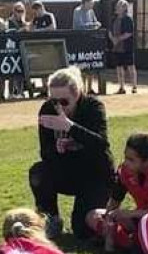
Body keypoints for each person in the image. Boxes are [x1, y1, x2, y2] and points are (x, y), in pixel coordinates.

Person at [28, 66, 115, 240]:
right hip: (66, 170)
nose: (59, 107)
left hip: (94, 173)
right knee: (38, 171)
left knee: (82, 231)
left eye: (64, 102)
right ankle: (50, 218)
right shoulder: (47, 110)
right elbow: (45, 151)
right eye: (54, 101)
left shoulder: (93, 107)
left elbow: (101, 144)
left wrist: (69, 127)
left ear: (78, 95)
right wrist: (58, 148)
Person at [86, 132, 148, 252]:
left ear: (147, 161)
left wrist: (132, 214)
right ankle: (135, 243)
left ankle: (136, 243)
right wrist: (109, 218)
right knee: (93, 216)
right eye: (125, 157)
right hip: (140, 219)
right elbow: (114, 200)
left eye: (131, 159)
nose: (125, 163)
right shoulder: (124, 172)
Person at [72, 0, 102, 95]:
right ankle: (82, 88)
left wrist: (95, 24)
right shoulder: (77, 11)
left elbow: (96, 22)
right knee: (82, 66)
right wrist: (93, 25)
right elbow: (80, 26)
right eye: (91, 3)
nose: (92, 5)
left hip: (90, 40)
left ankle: (90, 88)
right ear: (85, 2)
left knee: (90, 65)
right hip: (80, 40)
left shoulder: (91, 11)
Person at [108, 0, 137, 95]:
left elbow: (129, 33)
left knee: (130, 67)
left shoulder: (128, 19)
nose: (117, 7)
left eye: (119, 6)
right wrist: (113, 39)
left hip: (126, 47)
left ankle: (134, 87)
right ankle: (121, 87)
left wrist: (118, 39)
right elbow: (109, 31)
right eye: (117, 5)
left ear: (124, 8)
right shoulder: (113, 19)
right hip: (116, 47)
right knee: (119, 67)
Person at [5, 3, 28, 99]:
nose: (20, 13)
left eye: (22, 11)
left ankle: (20, 92)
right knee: (11, 72)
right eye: (18, 11)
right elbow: (9, 33)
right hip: (11, 50)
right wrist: (21, 31)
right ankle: (10, 93)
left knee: (21, 72)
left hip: (21, 50)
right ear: (14, 11)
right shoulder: (9, 22)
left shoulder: (24, 23)